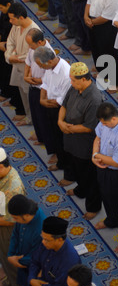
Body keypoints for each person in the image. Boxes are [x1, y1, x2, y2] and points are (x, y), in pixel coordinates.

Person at [58, 62, 104, 220]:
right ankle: (80, 190)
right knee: (77, 170)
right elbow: (64, 105)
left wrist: (67, 128)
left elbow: (89, 127)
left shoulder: (95, 99)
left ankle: (93, 207)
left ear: (84, 79)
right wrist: (60, 121)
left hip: (84, 145)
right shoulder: (75, 87)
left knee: (89, 177)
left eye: (74, 80)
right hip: (71, 139)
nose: (71, 83)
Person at [92, 102, 118, 253]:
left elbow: (117, 162)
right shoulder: (106, 122)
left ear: (114, 119)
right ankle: (111, 220)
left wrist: (98, 156)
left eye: (104, 123)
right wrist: (94, 155)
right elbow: (97, 137)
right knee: (106, 197)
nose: (102, 125)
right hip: (103, 166)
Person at [33, 46, 73, 184]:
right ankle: (61, 163)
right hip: (49, 106)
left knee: (65, 143)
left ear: (49, 62)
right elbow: (45, 84)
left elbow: (62, 100)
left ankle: (70, 175)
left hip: (61, 111)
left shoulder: (65, 73)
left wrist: (46, 102)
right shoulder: (49, 68)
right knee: (55, 139)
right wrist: (42, 99)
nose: (40, 68)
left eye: (40, 65)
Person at [84, 0, 118, 88]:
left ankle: (115, 82)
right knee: (96, 49)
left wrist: (91, 21)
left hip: (105, 27)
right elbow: (89, 0)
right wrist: (86, 16)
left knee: (108, 53)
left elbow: (106, 17)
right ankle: (103, 73)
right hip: (93, 22)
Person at [27, 216, 81, 286]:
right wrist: (32, 278)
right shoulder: (47, 243)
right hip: (40, 283)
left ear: (59, 239)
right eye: (43, 238)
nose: (43, 242)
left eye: (46, 240)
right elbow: (34, 261)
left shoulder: (69, 261)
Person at [5, 3, 40, 126]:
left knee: (32, 99)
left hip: (29, 70)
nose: (10, 21)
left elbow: (32, 54)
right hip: (17, 67)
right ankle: (29, 118)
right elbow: (10, 41)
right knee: (23, 95)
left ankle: (36, 123)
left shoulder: (34, 31)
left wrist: (16, 58)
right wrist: (9, 56)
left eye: (12, 18)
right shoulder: (16, 26)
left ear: (20, 17)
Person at [7, 195, 46, 286]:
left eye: (15, 218)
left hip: (36, 270)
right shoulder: (23, 218)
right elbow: (15, 234)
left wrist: (17, 261)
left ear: (26, 215)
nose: (14, 220)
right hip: (23, 266)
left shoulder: (40, 230)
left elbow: (36, 256)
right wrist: (11, 255)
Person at [24, 28, 56, 155]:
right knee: (37, 117)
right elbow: (28, 62)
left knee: (46, 121)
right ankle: (41, 137)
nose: (29, 47)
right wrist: (26, 76)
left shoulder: (48, 54)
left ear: (40, 42)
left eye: (31, 44)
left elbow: (50, 76)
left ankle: (53, 151)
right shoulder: (33, 49)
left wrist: (38, 81)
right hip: (33, 86)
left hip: (43, 90)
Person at [0, 148, 25, 286]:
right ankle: (8, 278)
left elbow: (11, 220)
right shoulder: (3, 174)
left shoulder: (13, 188)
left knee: (12, 262)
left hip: (8, 231)